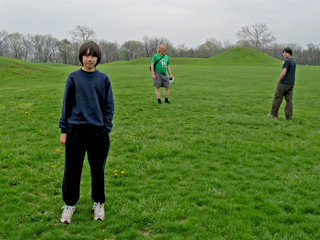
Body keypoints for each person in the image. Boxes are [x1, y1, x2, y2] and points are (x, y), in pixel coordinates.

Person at [58, 41, 114, 224]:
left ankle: (98, 203)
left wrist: (105, 128)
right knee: (72, 171)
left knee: (98, 171)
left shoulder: (103, 79)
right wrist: (64, 130)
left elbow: (108, 106)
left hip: (98, 133)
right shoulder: (73, 78)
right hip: (76, 132)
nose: (89, 59)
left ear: (98, 58)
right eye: (86, 55)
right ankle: (69, 205)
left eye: (93, 55)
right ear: (81, 56)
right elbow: (66, 105)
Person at [268, 47, 296, 121]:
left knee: (277, 98)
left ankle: (273, 114)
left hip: (283, 83)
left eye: (284, 52)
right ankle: (289, 117)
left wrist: (279, 80)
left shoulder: (287, 61)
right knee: (289, 101)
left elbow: (284, 72)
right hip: (291, 83)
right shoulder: (293, 61)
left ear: (287, 53)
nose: (283, 54)